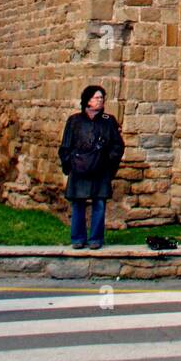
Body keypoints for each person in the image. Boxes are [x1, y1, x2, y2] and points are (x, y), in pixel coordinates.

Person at [58, 85, 124, 250]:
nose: (100, 100)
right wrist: (70, 163)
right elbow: (66, 145)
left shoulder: (108, 121)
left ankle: (96, 238)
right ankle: (78, 238)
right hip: (79, 167)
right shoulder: (74, 121)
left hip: (100, 168)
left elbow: (117, 145)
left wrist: (108, 162)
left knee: (99, 204)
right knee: (78, 204)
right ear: (87, 100)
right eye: (96, 97)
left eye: (101, 98)